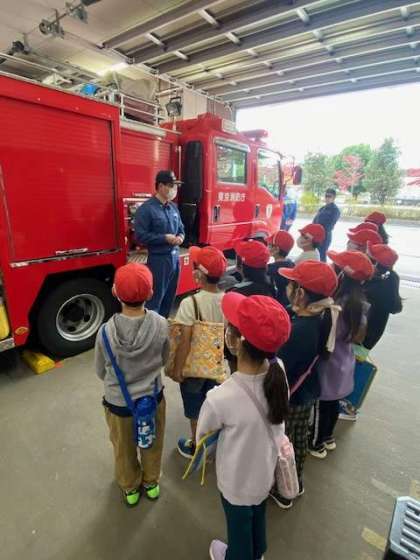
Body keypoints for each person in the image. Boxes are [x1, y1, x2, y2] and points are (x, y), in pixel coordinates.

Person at [197, 293, 291, 560]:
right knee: (257, 515)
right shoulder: (279, 372)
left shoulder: (220, 397)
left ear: (235, 341)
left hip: (236, 480)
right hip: (264, 473)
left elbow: (203, 435)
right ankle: (257, 552)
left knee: (238, 527)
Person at [94, 263, 169, 507]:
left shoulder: (105, 332)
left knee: (123, 447)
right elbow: (165, 359)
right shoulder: (161, 324)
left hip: (119, 405)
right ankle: (151, 482)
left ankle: (130, 487)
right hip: (152, 398)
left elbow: (100, 371)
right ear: (151, 293)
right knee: (153, 442)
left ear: (115, 292)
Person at [271, 260, 339, 508]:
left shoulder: (300, 330)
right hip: (307, 390)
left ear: (300, 293)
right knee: (298, 439)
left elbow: (281, 367)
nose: (286, 287)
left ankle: (283, 490)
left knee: (283, 445)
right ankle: (296, 482)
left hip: (291, 395)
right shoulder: (322, 316)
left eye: (291, 284)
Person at [309, 251, 373, 457]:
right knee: (333, 403)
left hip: (329, 363)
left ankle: (316, 444)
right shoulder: (361, 302)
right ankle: (328, 437)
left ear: (342, 275)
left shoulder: (338, 305)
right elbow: (358, 336)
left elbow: (328, 334)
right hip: (345, 359)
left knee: (321, 405)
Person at [170, 245, 227, 459]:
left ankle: (196, 446)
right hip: (215, 366)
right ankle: (210, 442)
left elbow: (184, 341)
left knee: (194, 409)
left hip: (193, 369)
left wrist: (178, 369)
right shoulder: (226, 300)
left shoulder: (190, 303)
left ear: (199, 275)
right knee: (210, 404)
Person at [135, 170, 185, 318]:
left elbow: (181, 229)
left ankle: (164, 324)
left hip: (175, 259)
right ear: (161, 186)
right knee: (155, 299)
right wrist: (164, 238)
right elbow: (140, 236)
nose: (174, 189)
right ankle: (152, 326)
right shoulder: (146, 209)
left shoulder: (173, 207)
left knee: (170, 296)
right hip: (159, 260)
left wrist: (181, 237)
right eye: (171, 185)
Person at [363, 243, 402, 351]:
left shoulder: (372, 284)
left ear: (375, 264)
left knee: (352, 358)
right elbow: (396, 307)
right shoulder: (391, 279)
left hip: (362, 335)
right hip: (373, 335)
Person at [266, 231, 295, 307]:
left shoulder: (271, 269)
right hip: (289, 303)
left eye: (269, 245)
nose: (266, 247)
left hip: (278, 304)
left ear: (276, 249)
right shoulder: (291, 264)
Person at [313, 188, 341, 261]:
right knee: (315, 256)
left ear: (334, 198)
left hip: (324, 236)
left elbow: (330, 225)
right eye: (326, 196)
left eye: (329, 196)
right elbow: (315, 221)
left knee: (321, 256)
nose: (327, 198)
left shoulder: (335, 210)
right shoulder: (322, 208)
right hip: (316, 235)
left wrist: (319, 231)